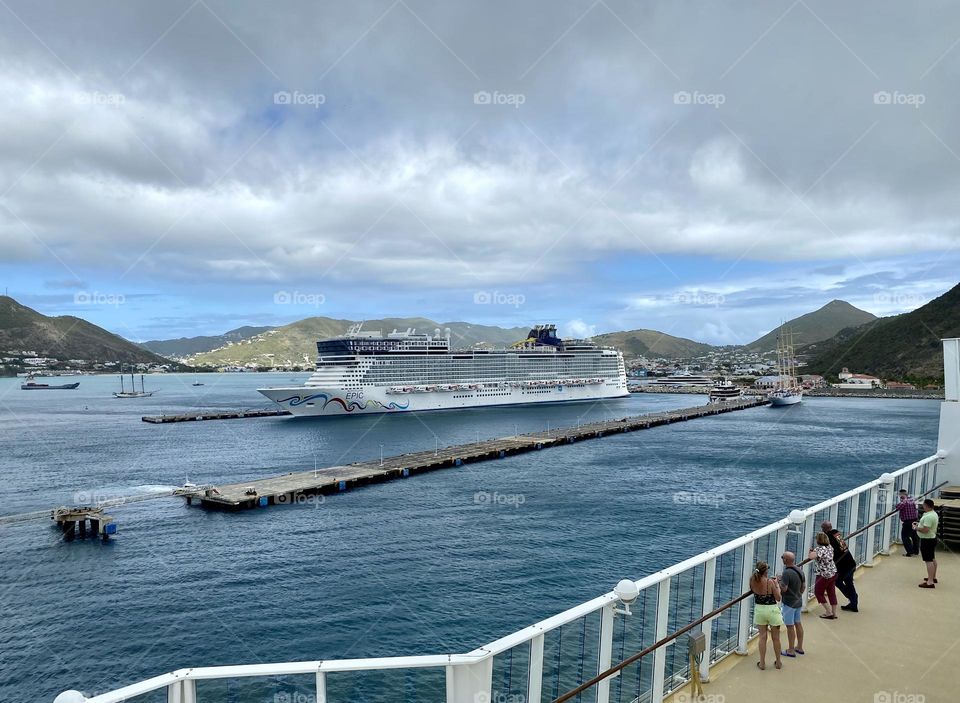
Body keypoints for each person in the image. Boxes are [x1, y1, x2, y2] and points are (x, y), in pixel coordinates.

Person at [749, 561, 783, 670]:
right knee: (776, 638)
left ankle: (762, 663)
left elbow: (753, 589)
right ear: (766, 571)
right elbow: (778, 598)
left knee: (762, 637)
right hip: (772, 610)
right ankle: (778, 662)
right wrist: (777, 585)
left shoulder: (752, 580)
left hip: (760, 610)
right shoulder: (770, 582)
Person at [821, 521, 859, 612]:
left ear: (825, 529)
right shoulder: (837, 534)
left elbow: (827, 551)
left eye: (822, 528)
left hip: (843, 566)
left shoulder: (828, 538)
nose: (821, 530)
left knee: (838, 581)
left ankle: (852, 598)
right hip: (850, 562)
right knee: (849, 582)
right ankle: (853, 602)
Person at [778, 551, 805, 657]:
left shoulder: (786, 573)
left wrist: (779, 581)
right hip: (798, 601)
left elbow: (784, 588)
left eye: (782, 558)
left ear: (785, 560)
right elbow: (803, 587)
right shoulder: (800, 570)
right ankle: (799, 647)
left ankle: (790, 650)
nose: (782, 559)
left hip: (789, 603)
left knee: (790, 626)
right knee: (798, 623)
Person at [808, 532, 838, 619]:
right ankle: (834, 613)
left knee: (818, 593)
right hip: (833, 572)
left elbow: (811, 557)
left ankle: (828, 612)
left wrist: (811, 551)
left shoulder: (819, 549)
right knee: (831, 593)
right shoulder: (830, 547)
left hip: (824, 575)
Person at [916, 498, 939, 588]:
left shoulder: (929, 516)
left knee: (928, 561)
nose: (923, 506)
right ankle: (933, 577)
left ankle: (930, 582)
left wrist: (916, 528)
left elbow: (925, 530)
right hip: (932, 538)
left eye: (923, 505)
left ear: (926, 506)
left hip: (927, 540)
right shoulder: (933, 514)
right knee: (932, 558)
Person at [896, 489, 920, 556]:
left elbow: (897, 507)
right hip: (914, 520)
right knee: (914, 536)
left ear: (902, 495)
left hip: (908, 522)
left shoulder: (904, 502)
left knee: (905, 537)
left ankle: (910, 552)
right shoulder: (912, 500)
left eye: (900, 495)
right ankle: (916, 551)